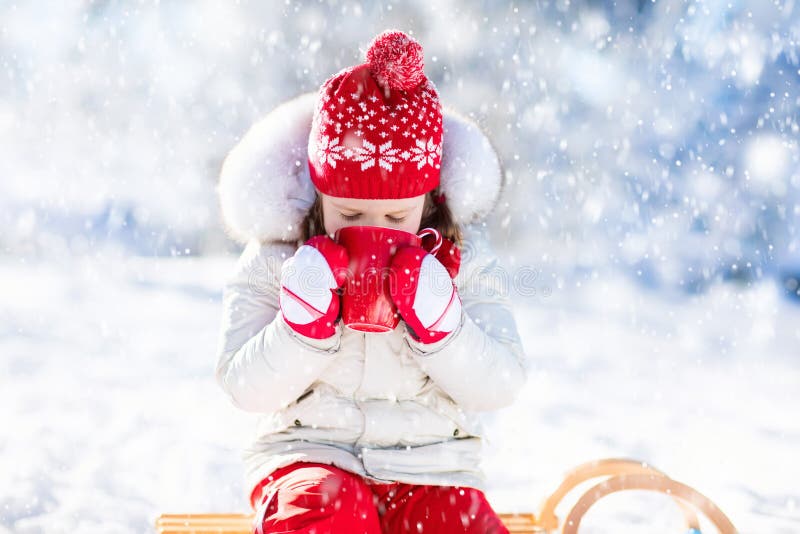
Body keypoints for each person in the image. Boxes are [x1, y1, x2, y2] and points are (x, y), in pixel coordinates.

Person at [214, 29, 528, 533]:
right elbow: (243, 388)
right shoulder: (277, 260)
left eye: (397, 216)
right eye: (351, 211)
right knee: (323, 513)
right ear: (319, 195)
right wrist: (301, 330)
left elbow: (501, 384)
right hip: (310, 459)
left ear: (428, 202)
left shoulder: (463, 261)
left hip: (434, 471)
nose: (375, 230)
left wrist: (443, 330)